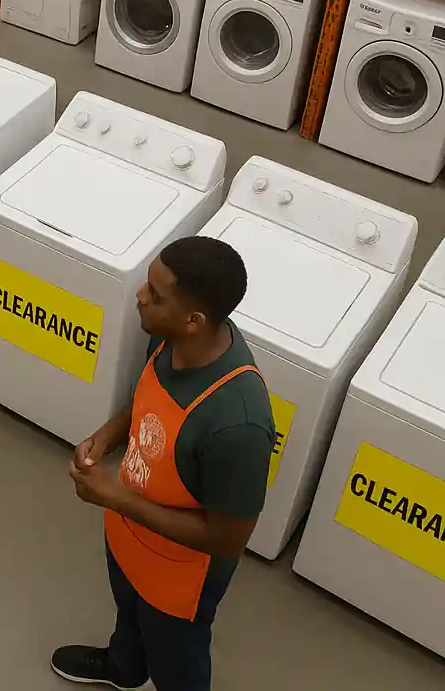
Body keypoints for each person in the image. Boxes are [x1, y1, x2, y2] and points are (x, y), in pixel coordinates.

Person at [53, 236, 275, 691]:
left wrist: (114, 495)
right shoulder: (170, 338)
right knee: (129, 614)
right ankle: (125, 668)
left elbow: (227, 539)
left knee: (177, 659)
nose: (140, 295)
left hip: (180, 578)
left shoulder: (239, 422)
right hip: (130, 535)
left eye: (155, 295)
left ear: (193, 319)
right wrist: (108, 437)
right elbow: (147, 405)